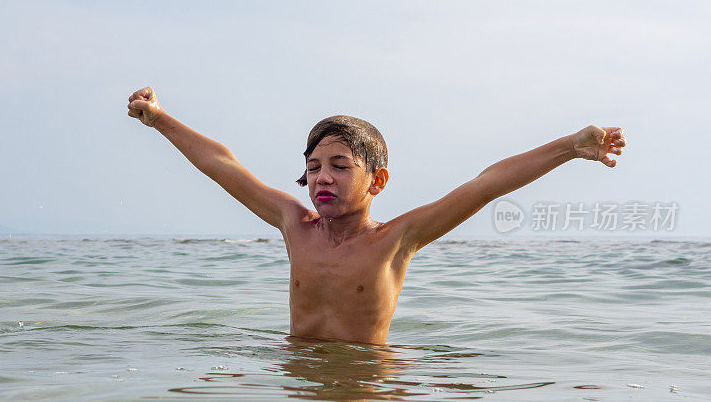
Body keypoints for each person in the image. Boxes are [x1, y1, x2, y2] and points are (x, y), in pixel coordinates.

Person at [127, 87, 626, 345]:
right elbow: (224, 166)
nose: (323, 177)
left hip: (367, 379)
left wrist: (569, 147)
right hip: (297, 371)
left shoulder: (397, 239)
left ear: (377, 181)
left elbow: (487, 184)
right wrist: (160, 119)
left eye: (341, 167)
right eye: (314, 167)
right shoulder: (292, 224)